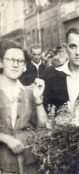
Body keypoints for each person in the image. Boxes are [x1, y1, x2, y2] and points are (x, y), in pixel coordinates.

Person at [0, 39, 48, 174]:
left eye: (20, 61)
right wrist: (5, 138)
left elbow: (43, 128)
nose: (15, 65)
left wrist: (38, 100)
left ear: (25, 66)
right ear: (1, 62)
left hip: (28, 165)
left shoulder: (29, 92)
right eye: (10, 60)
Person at [43, 27, 79, 110]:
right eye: (73, 46)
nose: (78, 52)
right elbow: (47, 110)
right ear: (65, 47)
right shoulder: (52, 73)